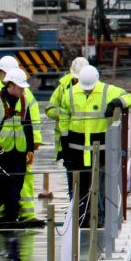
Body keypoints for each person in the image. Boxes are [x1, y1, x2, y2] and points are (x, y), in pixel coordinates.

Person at [57, 64, 131, 226]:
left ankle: (102, 218)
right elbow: (63, 120)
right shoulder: (70, 94)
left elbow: (130, 98)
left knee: (102, 187)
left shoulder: (107, 91)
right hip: (77, 151)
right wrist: (64, 145)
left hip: (101, 150)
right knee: (80, 188)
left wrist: (116, 103)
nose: (87, 91)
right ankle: (82, 220)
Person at [0, 61, 38, 229]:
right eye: (20, 87)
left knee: (16, 187)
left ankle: (10, 219)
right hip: (1, 152)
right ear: (10, 85)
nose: (22, 90)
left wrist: (30, 149)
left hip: (19, 152)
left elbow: (28, 125)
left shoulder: (24, 100)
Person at [46, 56, 88, 196]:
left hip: (88, 140)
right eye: (76, 78)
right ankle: (73, 209)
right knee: (72, 178)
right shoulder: (63, 87)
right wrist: (64, 113)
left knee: (89, 179)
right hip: (67, 140)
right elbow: (50, 109)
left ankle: (85, 209)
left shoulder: (94, 86)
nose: (77, 81)